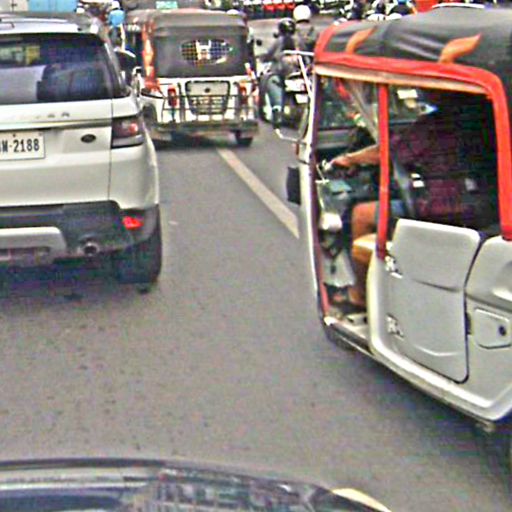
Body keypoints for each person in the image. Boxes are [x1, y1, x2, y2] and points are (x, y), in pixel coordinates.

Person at [329, 90, 494, 307]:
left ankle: (360, 295)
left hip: (445, 210)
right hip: (489, 208)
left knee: (361, 214)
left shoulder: (434, 125)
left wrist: (350, 159)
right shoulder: (487, 119)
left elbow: (390, 152)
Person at [261, 18, 298, 126]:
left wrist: (264, 58)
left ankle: (277, 110)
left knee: (271, 81)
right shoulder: (299, 40)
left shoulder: (279, 41)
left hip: (283, 74)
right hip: (298, 73)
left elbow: (269, 54)